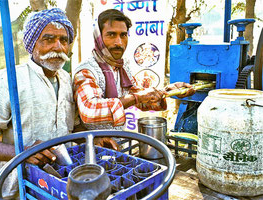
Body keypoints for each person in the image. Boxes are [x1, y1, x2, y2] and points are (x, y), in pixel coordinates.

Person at [0, 8, 74, 199]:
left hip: (58, 185)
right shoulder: (9, 80)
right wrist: (23, 152)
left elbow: (73, 126)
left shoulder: (68, 80)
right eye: (49, 39)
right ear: (32, 43)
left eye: (63, 40)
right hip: (18, 188)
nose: (58, 47)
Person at [73, 9, 195, 150]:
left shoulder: (122, 66)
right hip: (90, 148)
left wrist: (169, 91)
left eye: (123, 35)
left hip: (118, 145)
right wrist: (136, 97)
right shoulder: (86, 71)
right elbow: (90, 111)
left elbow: (143, 99)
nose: (119, 42)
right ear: (98, 37)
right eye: (111, 35)